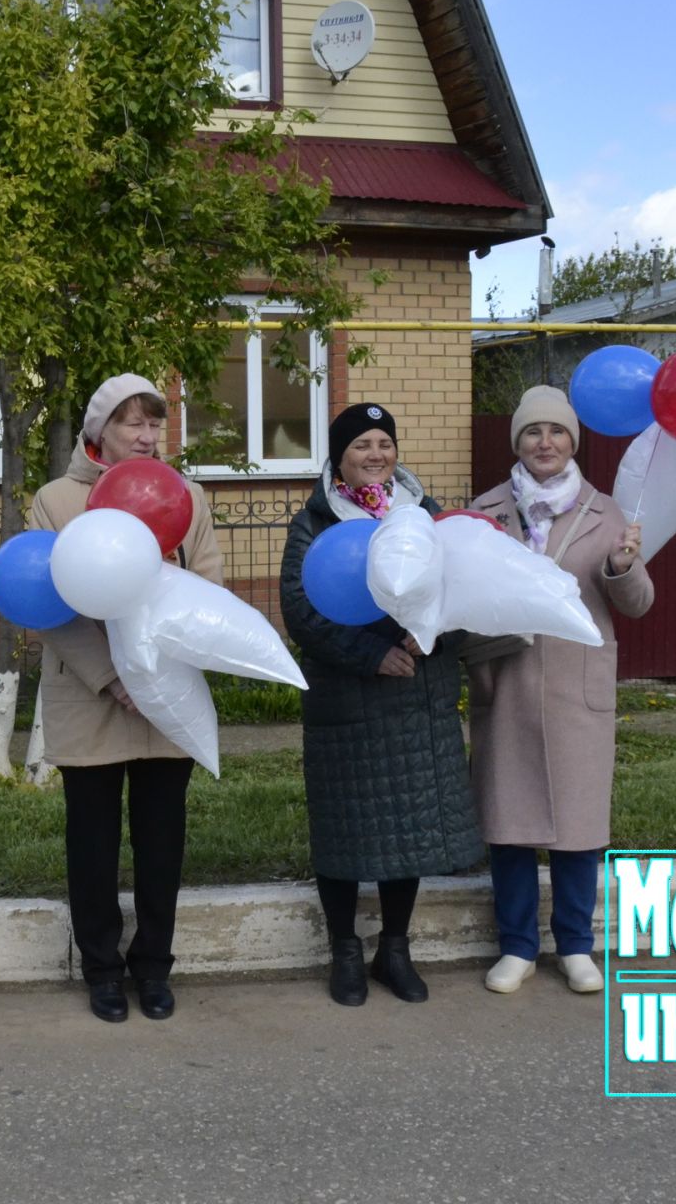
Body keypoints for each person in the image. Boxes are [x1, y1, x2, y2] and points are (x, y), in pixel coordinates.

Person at [28, 374, 223, 1025]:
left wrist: (158, 672)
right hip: (90, 699)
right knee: (93, 843)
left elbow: (208, 591)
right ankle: (103, 970)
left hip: (168, 696)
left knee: (162, 842)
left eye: (153, 423)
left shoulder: (186, 496)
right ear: (98, 432)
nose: (145, 436)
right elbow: (48, 606)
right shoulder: (56, 502)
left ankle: (154, 967)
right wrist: (113, 678)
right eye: (130, 423)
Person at [278, 402, 482, 1007]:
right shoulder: (316, 520)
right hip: (347, 700)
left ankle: (395, 948)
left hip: (415, 694)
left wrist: (431, 632)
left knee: (408, 828)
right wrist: (369, 655)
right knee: (343, 831)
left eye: (384, 443)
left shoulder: (424, 514)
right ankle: (344, 950)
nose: (376, 454)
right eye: (361, 444)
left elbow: (463, 585)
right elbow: (301, 607)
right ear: (339, 456)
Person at [468, 386, 654, 995]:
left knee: (578, 827)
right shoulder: (487, 512)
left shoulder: (608, 513)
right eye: (532, 432)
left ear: (573, 441)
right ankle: (517, 947)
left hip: (578, 689)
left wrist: (623, 567)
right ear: (516, 441)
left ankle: (576, 946)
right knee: (510, 822)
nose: (544, 443)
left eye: (557, 432)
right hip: (509, 683)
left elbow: (638, 604)